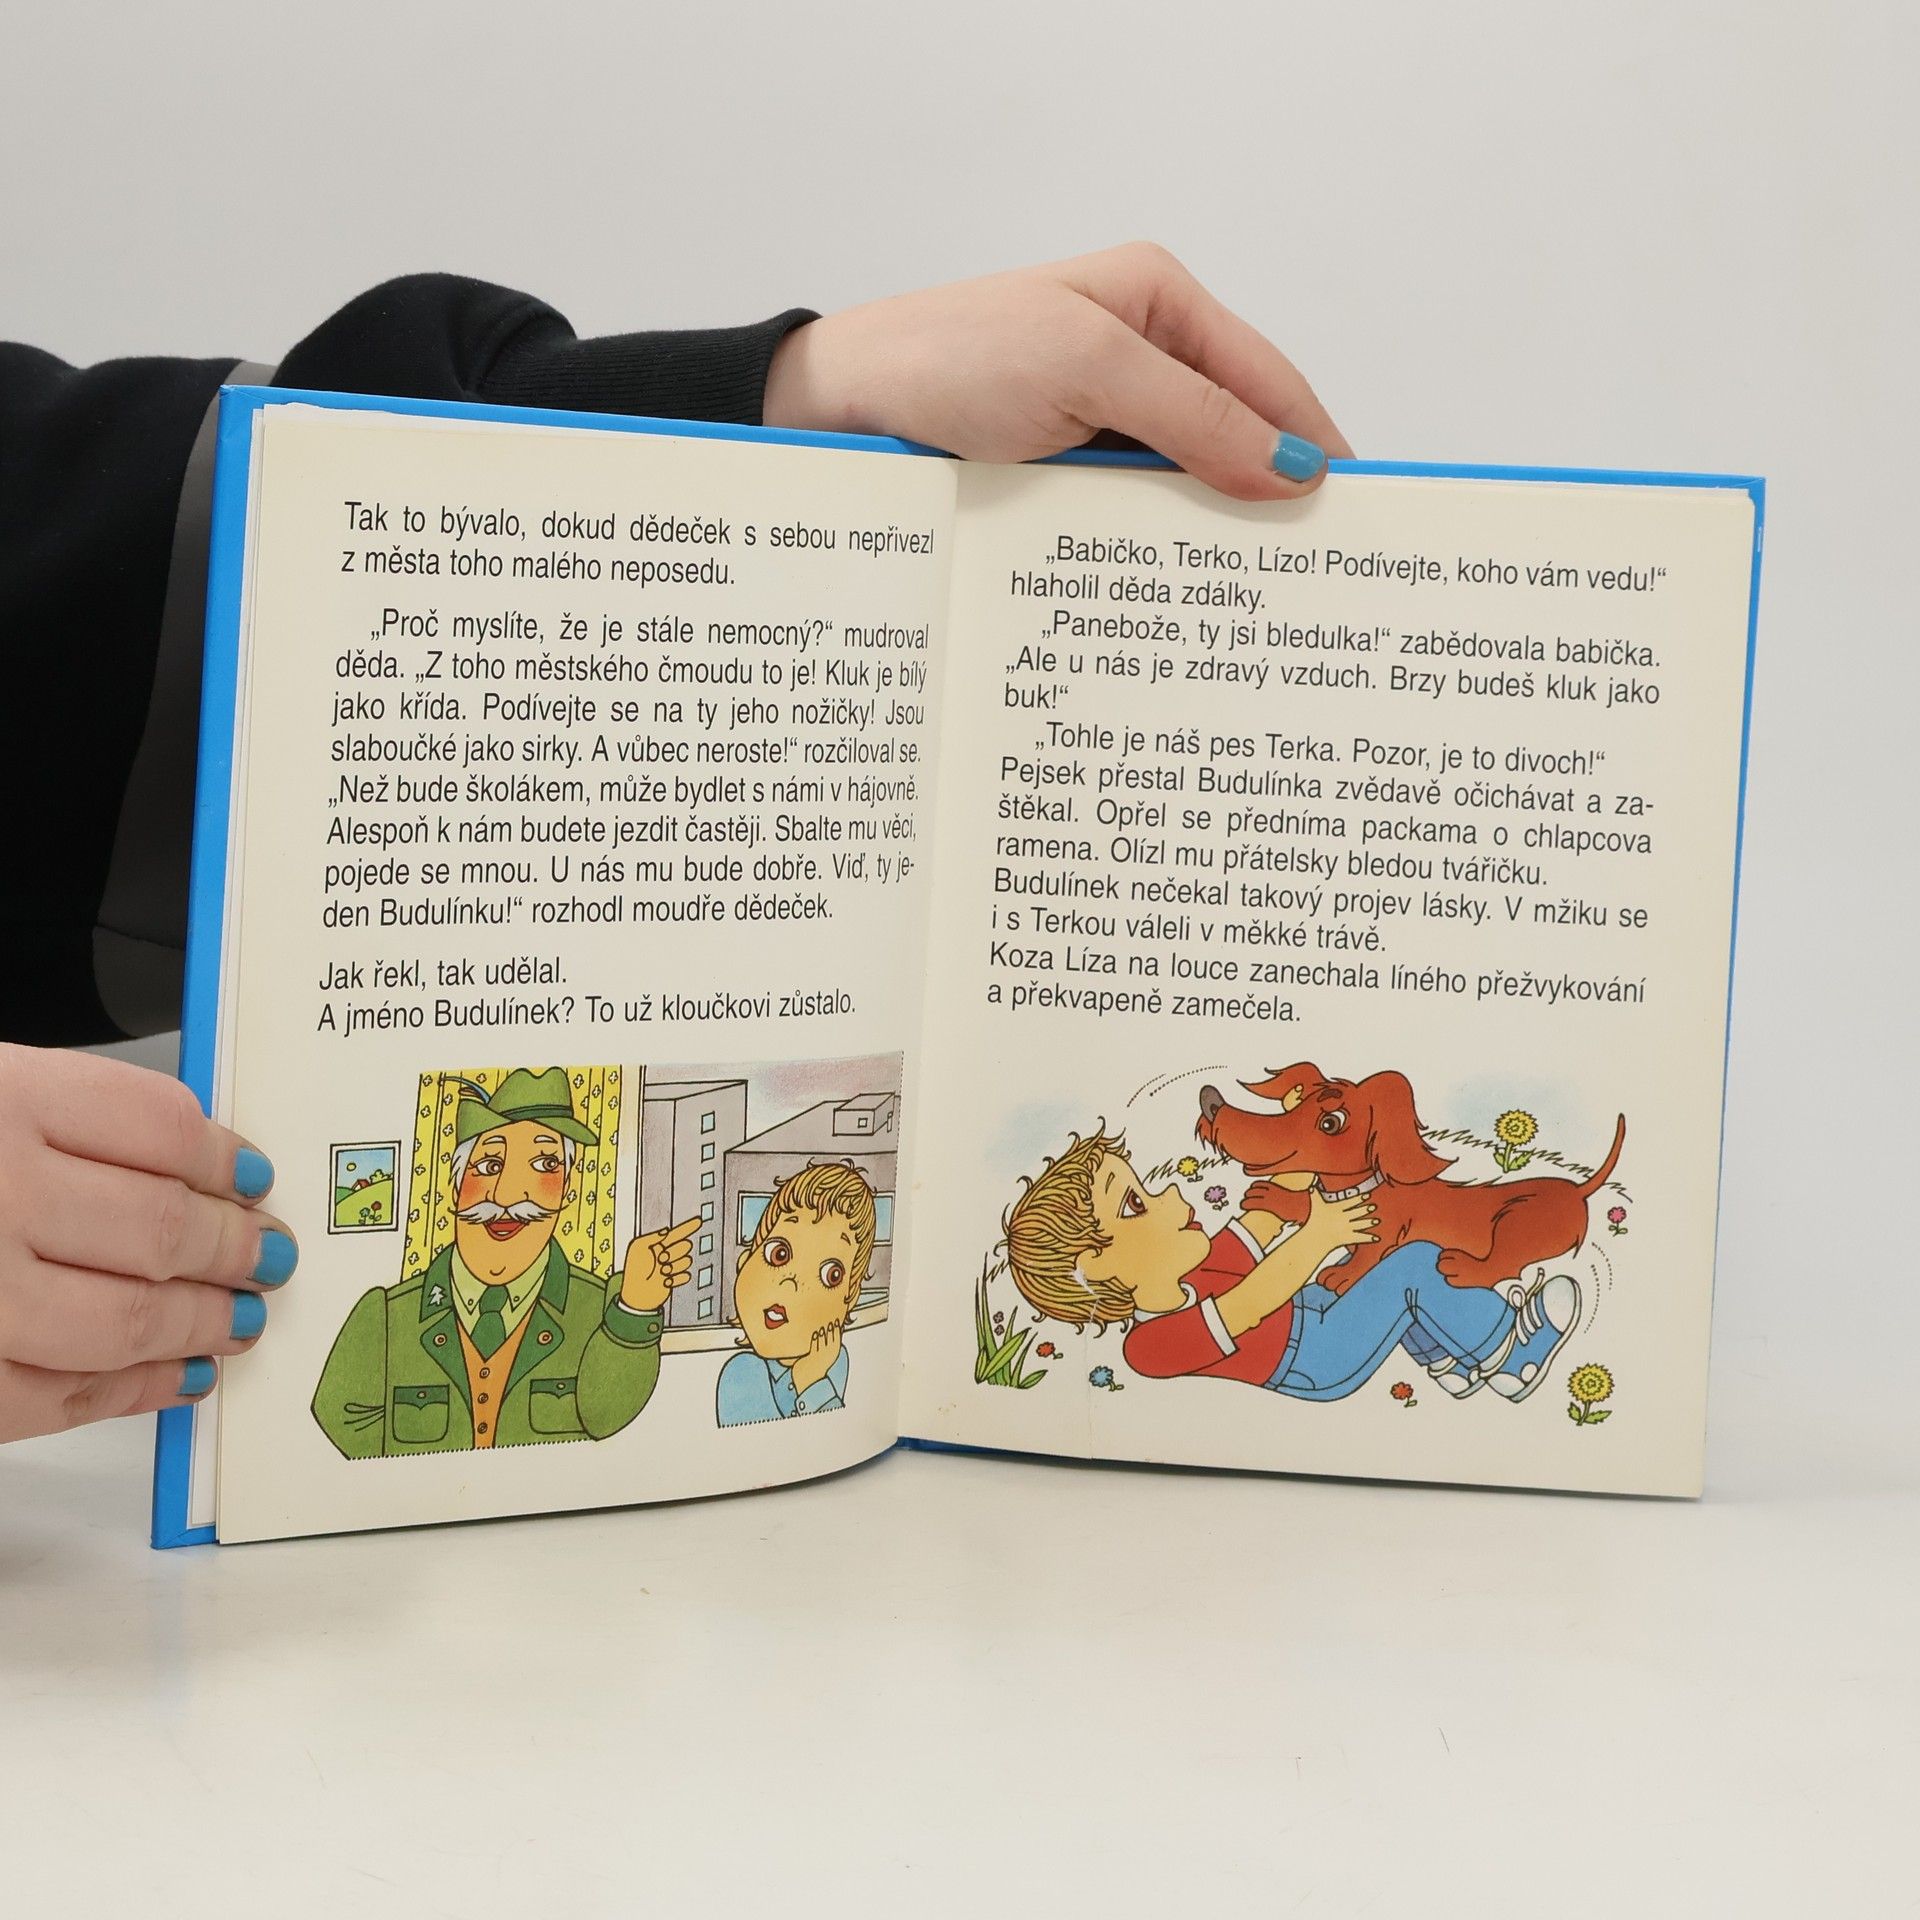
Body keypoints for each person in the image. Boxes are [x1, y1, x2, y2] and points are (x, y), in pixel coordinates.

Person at [0, 243, 1351, 1445]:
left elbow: (88, 543)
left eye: (538, 1166)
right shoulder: (400, 1315)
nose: (516, 1194)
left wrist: (793, 399)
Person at [1002, 1129, 1581, 1405]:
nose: (1170, 1193)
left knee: (1374, 1271)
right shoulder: (1148, 1345)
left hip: (1313, 1318)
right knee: (1413, 1267)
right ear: (1096, 1264)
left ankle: (1450, 1361)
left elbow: (1256, 1227)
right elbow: (1251, 1303)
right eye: (1136, 1204)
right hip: (1313, 1358)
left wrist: (1297, 1159)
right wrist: (1319, 1235)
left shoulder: (1194, 1274)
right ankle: (1511, 1356)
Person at [311, 1069, 698, 1455]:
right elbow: (344, 1445)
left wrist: (634, 1309)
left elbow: (606, 1419)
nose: (509, 1195)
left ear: (567, 1189)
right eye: (490, 1166)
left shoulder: (603, 1310)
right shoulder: (384, 1317)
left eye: (545, 1164)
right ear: (456, 1186)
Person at [715, 1161, 877, 1427]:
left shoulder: (835, 1360)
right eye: (779, 1254)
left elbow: (831, 1438)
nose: (791, 1285)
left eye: (831, 1275)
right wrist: (809, 1382)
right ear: (746, 1260)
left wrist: (813, 1381)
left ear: (850, 1299)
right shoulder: (742, 1374)